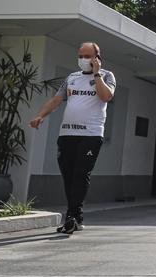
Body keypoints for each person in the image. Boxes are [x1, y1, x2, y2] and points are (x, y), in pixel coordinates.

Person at [28, 41, 116, 233]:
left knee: (80, 174)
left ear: (97, 57)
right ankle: (75, 216)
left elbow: (106, 97)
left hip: (91, 135)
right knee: (68, 177)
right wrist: (40, 115)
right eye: (80, 56)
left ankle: (71, 216)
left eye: (87, 56)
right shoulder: (72, 77)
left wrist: (97, 74)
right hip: (67, 134)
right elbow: (56, 100)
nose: (83, 59)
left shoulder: (107, 76)